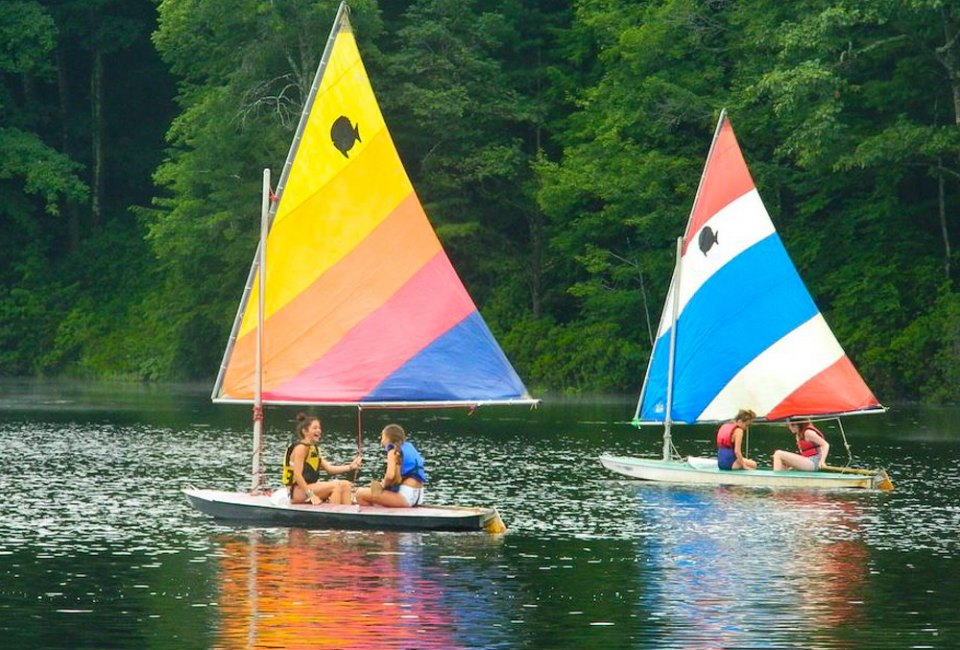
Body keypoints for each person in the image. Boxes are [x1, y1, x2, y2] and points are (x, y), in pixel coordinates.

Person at [282, 413, 362, 505]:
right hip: (297, 492)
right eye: (315, 428)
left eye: (319, 428)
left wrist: (351, 466)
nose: (319, 431)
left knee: (346, 484)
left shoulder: (313, 449)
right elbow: (297, 475)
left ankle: (347, 513)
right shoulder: (300, 448)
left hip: (309, 488)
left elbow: (330, 469)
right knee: (336, 486)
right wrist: (311, 495)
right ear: (305, 431)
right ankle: (334, 515)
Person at [355, 424, 426, 507]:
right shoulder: (409, 447)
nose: (381, 441)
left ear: (388, 438)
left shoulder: (393, 451)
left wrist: (382, 485)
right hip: (418, 496)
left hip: (405, 496)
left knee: (360, 493)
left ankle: (372, 519)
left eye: (382, 437)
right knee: (376, 498)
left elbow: (390, 476)